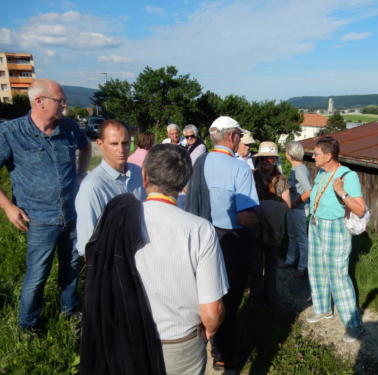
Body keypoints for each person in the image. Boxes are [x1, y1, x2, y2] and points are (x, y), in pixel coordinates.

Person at [0, 78, 91, 330]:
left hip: (71, 214)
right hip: (39, 218)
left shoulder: (70, 127)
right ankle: (27, 326)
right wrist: (8, 207)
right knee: (38, 275)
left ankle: (69, 312)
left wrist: (82, 173)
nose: (65, 104)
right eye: (60, 100)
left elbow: (86, 148)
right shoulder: (11, 133)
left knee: (71, 267)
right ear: (39, 102)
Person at [136, 144, 228, 374]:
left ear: (144, 176)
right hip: (180, 342)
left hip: (131, 334)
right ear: (185, 182)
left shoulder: (122, 221)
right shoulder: (200, 230)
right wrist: (210, 331)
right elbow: (212, 311)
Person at [185, 116, 259, 371]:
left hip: (202, 234)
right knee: (229, 298)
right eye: (239, 134)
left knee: (206, 290)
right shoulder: (239, 168)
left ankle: (203, 340)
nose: (240, 139)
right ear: (231, 137)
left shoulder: (200, 163)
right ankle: (223, 354)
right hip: (231, 240)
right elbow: (244, 215)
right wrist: (260, 223)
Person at [307, 136, 367, 343]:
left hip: (334, 228)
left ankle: (354, 326)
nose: (313, 156)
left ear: (329, 155)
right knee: (316, 269)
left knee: (338, 277)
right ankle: (323, 309)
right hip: (315, 224)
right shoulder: (322, 172)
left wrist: (341, 192)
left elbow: (360, 209)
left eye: (316, 154)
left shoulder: (347, 176)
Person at [75, 119, 145, 256]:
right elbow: (87, 244)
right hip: (113, 263)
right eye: (114, 144)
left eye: (125, 143)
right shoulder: (93, 186)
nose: (121, 149)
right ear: (100, 144)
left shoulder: (138, 173)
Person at [250, 141, 291, 307]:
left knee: (272, 264)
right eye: (263, 159)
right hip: (256, 226)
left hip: (273, 229)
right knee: (255, 264)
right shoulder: (251, 176)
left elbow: (287, 205)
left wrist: (270, 210)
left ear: (275, 160)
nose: (266, 163)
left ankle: (271, 296)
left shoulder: (281, 179)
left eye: (270, 160)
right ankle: (255, 298)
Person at [282, 141, 312, 278]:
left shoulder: (299, 170)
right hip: (293, 208)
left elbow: (309, 191)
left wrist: (294, 203)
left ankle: (302, 267)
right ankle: (290, 260)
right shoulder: (296, 168)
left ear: (289, 154)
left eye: (286, 151)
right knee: (292, 235)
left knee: (301, 238)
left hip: (299, 209)